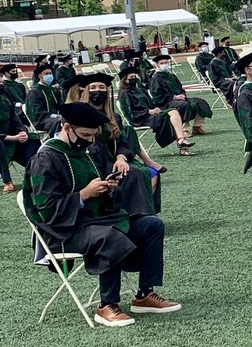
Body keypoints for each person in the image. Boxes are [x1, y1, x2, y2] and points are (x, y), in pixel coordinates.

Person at [23, 102, 180, 328]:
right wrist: (84, 194)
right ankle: (107, 305)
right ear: (67, 128)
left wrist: (108, 188)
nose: (90, 140)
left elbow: (101, 200)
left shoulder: (84, 153)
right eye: (86, 134)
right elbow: (45, 209)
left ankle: (144, 294)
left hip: (98, 222)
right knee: (110, 235)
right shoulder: (46, 158)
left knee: (151, 225)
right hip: (63, 231)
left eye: (94, 135)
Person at [78, 74, 163, 216]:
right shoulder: (79, 116)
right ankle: (132, 215)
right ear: (86, 91)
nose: (97, 91)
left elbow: (123, 142)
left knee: (152, 173)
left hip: (115, 161)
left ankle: (142, 212)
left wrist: (121, 158)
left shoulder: (114, 117)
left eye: (101, 87)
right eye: (92, 88)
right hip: (93, 164)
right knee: (136, 173)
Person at [116, 62, 191, 154]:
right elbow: (129, 113)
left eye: (135, 77)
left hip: (151, 115)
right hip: (140, 118)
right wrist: (148, 111)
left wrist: (156, 109)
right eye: (131, 78)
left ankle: (181, 140)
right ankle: (182, 143)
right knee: (169, 117)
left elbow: (152, 104)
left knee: (174, 111)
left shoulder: (140, 90)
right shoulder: (124, 94)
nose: (134, 79)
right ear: (125, 80)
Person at [149, 53, 212, 135]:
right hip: (165, 103)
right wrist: (174, 97)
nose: (164, 65)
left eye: (166, 62)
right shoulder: (155, 78)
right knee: (184, 105)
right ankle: (184, 130)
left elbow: (180, 88)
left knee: (199, 102)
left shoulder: (171, 76)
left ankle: (197, 126)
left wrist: (183, 95)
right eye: (162, 63)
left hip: (179, 100)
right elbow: (157, 96)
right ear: (157, 65)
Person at [0, 66, 41, 194]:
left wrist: (22, 132)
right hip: (3, 141)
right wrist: (13, 138)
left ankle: (33, 175)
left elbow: (16, 122)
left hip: (12, 140)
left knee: (33, 139)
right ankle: (8, 181)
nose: (1, 81)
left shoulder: (5, 101)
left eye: (0, 78)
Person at [25, 63, 60, 134]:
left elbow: (61, 105)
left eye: (50, 73)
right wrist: (54, 116)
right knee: (58, 122)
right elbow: (36, 112)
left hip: (55, 117)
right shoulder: (34, 92)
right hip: (41, 121)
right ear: (40, 76)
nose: (49, 75)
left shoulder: (53, 90)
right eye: (46, 74)